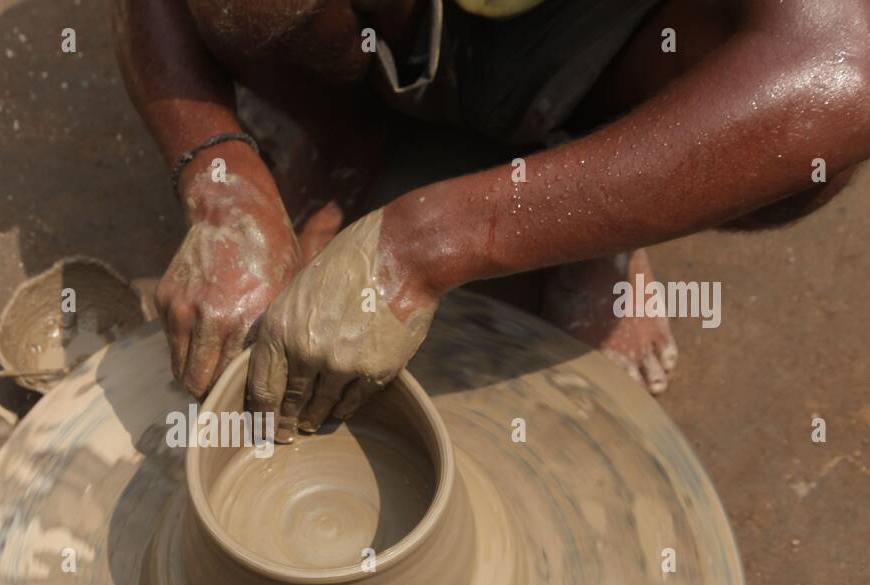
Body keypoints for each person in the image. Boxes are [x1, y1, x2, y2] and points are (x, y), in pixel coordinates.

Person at [112, 0, 870, 441]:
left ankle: (594, 198)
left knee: (802, 157)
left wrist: (420, 247)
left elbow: (848, 58)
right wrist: (225, 188)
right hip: (389, 22)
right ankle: (347, 138)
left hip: (614, 31)